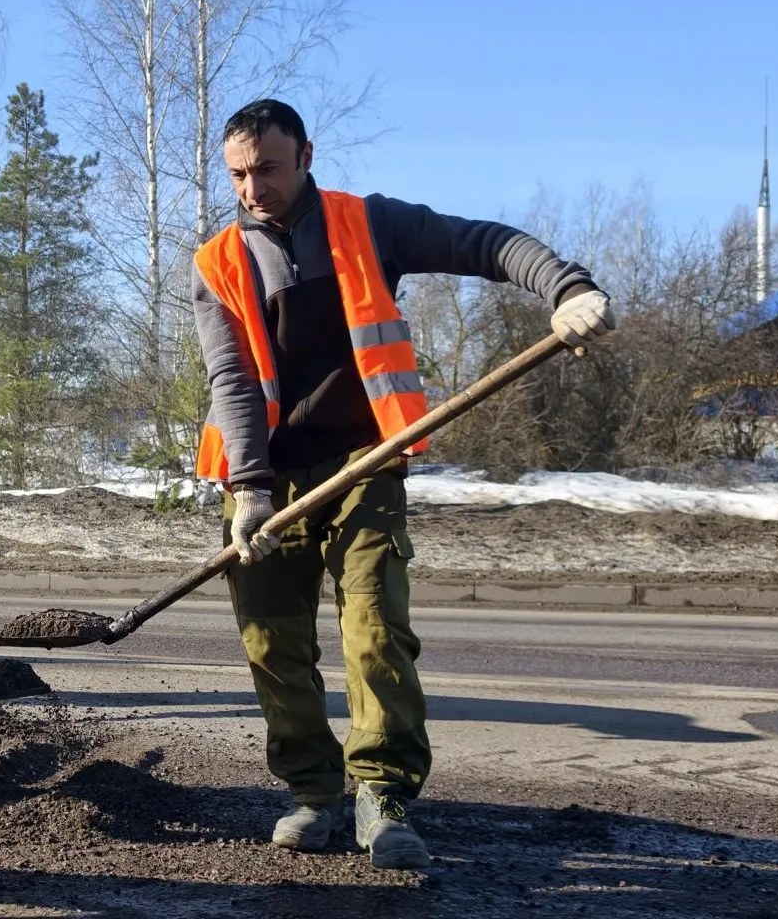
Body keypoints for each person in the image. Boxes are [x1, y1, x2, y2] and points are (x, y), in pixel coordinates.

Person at [190, 98, 616, 870]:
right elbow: (233, 382)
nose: (254, 188)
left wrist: (566, 287)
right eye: (239, 175)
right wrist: (250, 489)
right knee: (270, 642)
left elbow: (485, 242)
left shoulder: (368, 223)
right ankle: (313, 793)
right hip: (267, 480)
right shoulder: (218, 262)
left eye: (268, 169)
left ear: (307, 156)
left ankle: (381, 796)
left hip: (363, 465)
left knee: (376, 633)